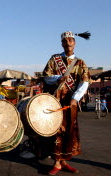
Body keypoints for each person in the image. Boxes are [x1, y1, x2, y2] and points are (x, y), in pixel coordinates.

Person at [42, 31, 91, 175]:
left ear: (74, 43)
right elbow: (46, 77)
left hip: (71, 103)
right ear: (62, 43)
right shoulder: (54, 59)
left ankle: (64, 160)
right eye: (65, 41)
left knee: (70, 130)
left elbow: (85, 82)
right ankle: (57, 162)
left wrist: (75, 98)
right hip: (55, 101)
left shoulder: (81, 63)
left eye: (71, 40)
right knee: (56, 130)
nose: (68, 43)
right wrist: (57, 78)